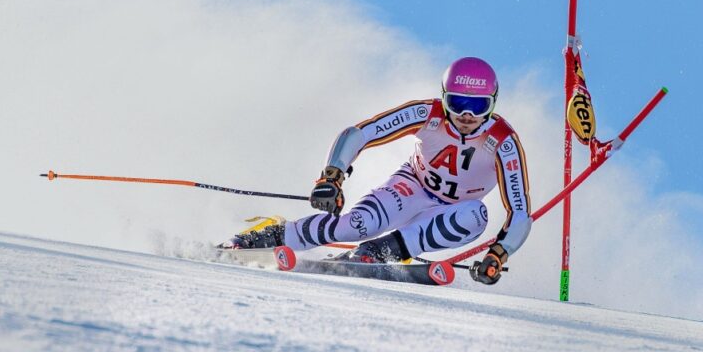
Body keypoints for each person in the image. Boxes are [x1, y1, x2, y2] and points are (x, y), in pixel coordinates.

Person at [225, 57, 531, 285]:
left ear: (492, 105)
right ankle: (268, 236)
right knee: (358, 223)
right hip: (412, 187)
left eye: (477, 106)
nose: (466, 115)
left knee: (476, 215)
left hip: (450, 212)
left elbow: (519, 212)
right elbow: (359, 133)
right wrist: (332, 176)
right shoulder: (427, 114)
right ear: (444, 98)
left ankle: (380, 252)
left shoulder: (503, 142)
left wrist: (498, 254)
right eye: (458, 102)